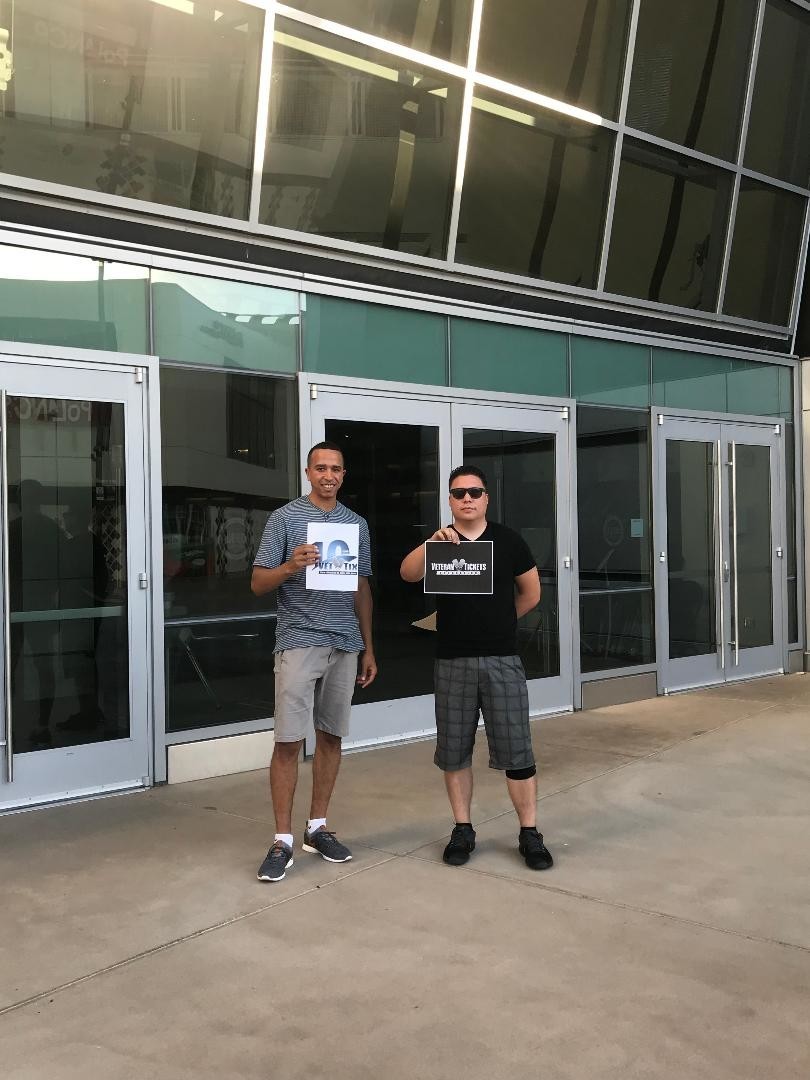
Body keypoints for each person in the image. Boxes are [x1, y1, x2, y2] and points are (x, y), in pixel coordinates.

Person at [400, 465, 553, 871]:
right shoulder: (440, 542)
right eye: (458, 493)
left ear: (486, 497)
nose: (466, 498)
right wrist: (432, 542)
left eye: (474, 491)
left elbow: (531, 593)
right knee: (454, 751)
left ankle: (530, 832)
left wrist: (499, 622)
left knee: (517, 750)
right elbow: (407, 573)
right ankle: (463, 828)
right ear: (450, 500)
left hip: (502, 659)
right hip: (453, 659)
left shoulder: (508, 541)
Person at [251, 441, 377, 883]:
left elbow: (362, 587)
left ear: (343, 475)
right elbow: (257, 583)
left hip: (345, 643)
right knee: (288, 741)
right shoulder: (284, 518)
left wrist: (368, 646)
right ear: (308, 473)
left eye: (335, 469)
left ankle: (317, 827)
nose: (328, 475)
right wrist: (290, 566)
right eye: (320, 468)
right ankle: (282, 840)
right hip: (299, 641)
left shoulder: (356, 524)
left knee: (331, 737)